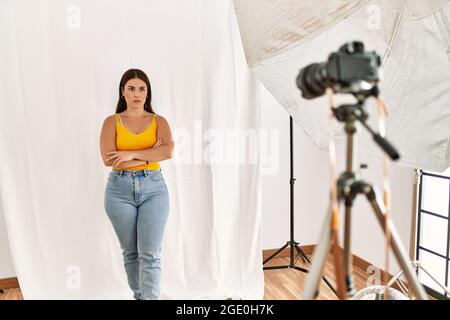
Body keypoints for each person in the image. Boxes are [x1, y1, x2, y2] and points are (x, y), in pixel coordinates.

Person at [99, 68, 174, 300]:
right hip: (118, 191)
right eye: (131, 88)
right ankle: (141, 296)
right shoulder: (112, 122)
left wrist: (131, 155)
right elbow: (108, 159)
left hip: (154, 190)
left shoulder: (158, 121)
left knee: (150, 254)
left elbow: (167, 151)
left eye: (142, 89)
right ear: (123, 92)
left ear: (147, 92)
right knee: (131, 253)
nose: (137, 94)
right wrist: (150, 154)